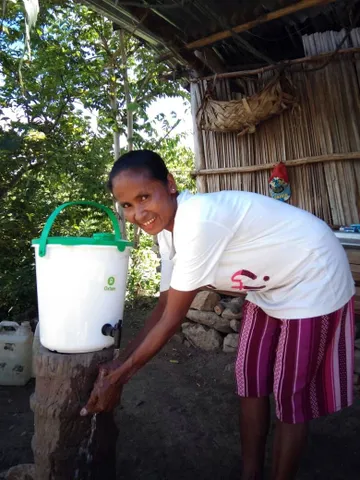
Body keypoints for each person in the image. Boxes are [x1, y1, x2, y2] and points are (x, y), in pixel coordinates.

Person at [81, 149, 355, 480]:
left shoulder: (198, 220)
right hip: (269, 287)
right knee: (249, 376)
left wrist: (120, 378)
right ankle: (250, 474)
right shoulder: (168, 234)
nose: (138, 212)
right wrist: (119, 364)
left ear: (169, 184)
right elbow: (163, 307)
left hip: (313, 274)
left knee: (290, 394)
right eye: (127, 205)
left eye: (144, 196)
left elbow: (172, 321)